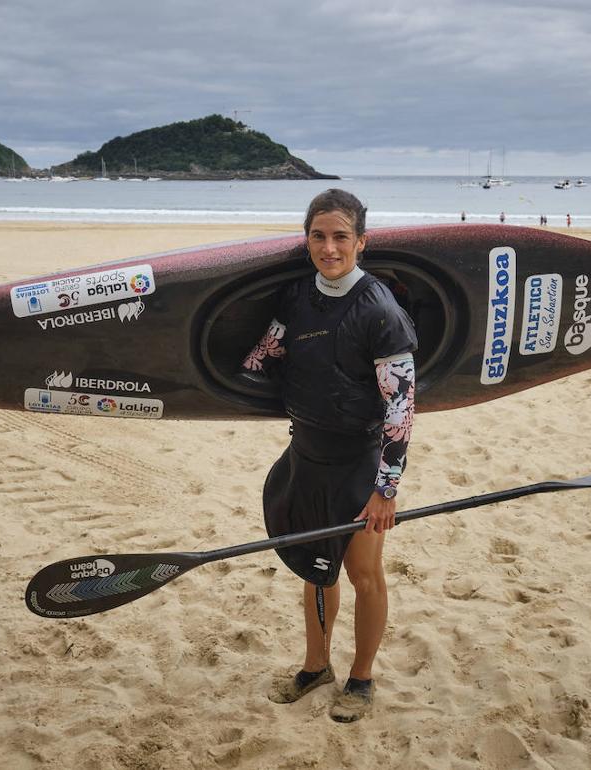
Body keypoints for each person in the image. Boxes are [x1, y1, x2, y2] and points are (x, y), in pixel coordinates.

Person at [241, 189, 417, 723]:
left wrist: (385, 489)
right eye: (318, 235)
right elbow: (264, 354)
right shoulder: (297, 298)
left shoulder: (381, 312)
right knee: (316, 571)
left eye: (341, 236)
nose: (329, 247)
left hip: (360, 463)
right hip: (306, 455)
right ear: (307, 240)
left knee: (363, 573)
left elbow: (401, 410)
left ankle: (361, 679)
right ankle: (316, 666)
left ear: (361, 241)